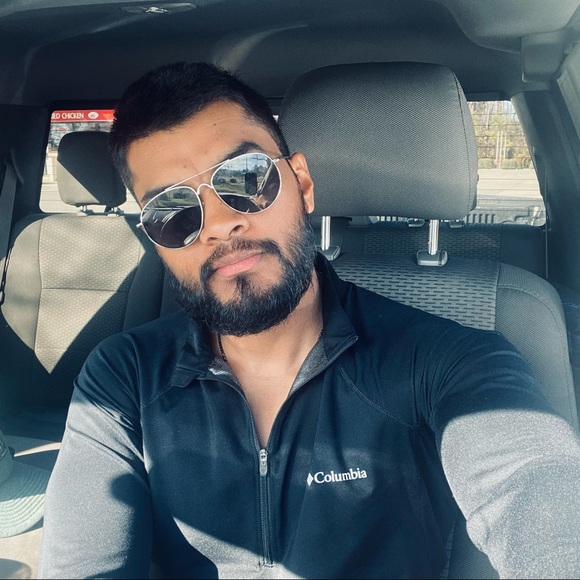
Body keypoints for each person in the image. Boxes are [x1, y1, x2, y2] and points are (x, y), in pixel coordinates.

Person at [39, 62, 580, 579]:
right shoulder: (125, 376)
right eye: (171, 210)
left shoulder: (448, 361)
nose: (220, 224)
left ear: (301, 183)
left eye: (245, 178)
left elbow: (536, 494)